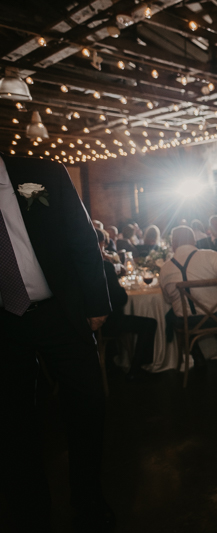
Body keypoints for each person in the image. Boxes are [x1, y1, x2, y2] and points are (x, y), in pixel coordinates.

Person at [0, 154, 114, 532]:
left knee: (88, 404)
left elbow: (81, 236)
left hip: (59, 311)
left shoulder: (42, 172)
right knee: (14, 420)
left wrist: (97, 303)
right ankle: (30, 509)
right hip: (4, 322)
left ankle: (88, 497)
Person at [159, 226, 217, 362]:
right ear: (194, 240)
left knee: (173, 315)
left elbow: (167, 299)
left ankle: (197, 355)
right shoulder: (209, 255)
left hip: (186, 322)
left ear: (173, 244)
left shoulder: (165, 269)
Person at [96, 229, 157, 380]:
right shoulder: (105, 267)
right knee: (150, 324)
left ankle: (110, 363)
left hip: (80, 325)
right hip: (105, 324)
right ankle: (136, 369)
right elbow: (120, 299)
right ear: (101, 244)